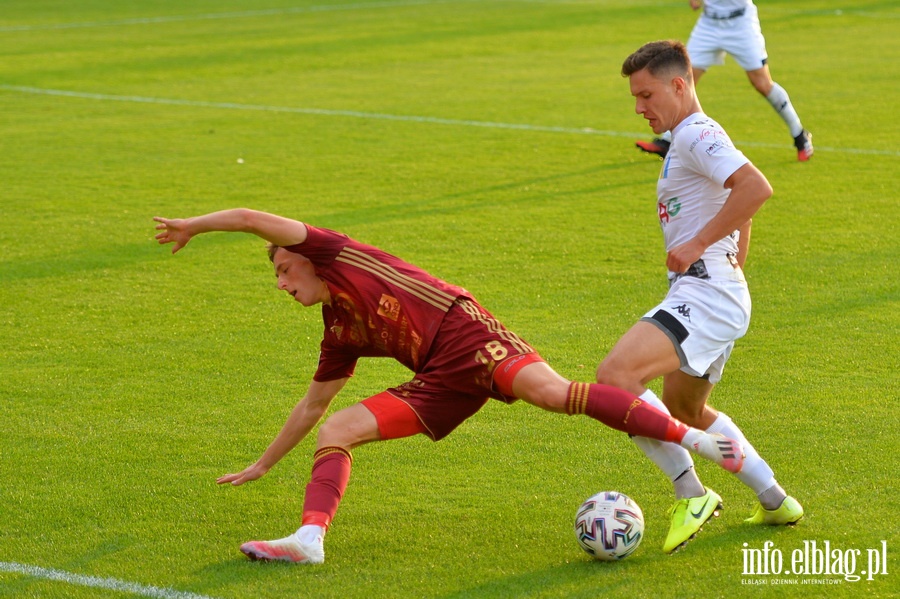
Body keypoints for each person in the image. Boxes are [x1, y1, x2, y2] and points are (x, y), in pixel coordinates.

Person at [153, 208, 745, 564]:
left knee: (555, 394)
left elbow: (254, 219)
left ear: (308, 259)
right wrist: (262, 463)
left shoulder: (338, 254)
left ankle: (693, 443)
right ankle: (310, 538)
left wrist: (195, 227)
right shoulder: (338, 331)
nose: (282, 282)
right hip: (437, 378)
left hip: (463, 331)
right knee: (337, 430)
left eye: (284, 269)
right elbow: (313, 405)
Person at [599, 40, 802, 555]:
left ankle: (691, 491)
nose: (639, 107)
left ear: (679, 85)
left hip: (706, 291)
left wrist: (701, 245)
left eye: (646, 95)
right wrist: (734, 263)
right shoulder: (694, 136)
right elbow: (740, 196)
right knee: (683, 409)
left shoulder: (693, 133)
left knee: (617, 378)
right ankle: (774, 498)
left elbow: (756, 186)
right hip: (718, 290)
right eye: (634, 98)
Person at [636, 0, 813, 162]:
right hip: (709, 23)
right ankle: (667, 140)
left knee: (762, 83)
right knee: (684, 80)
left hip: (741, 23)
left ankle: (799, 134)